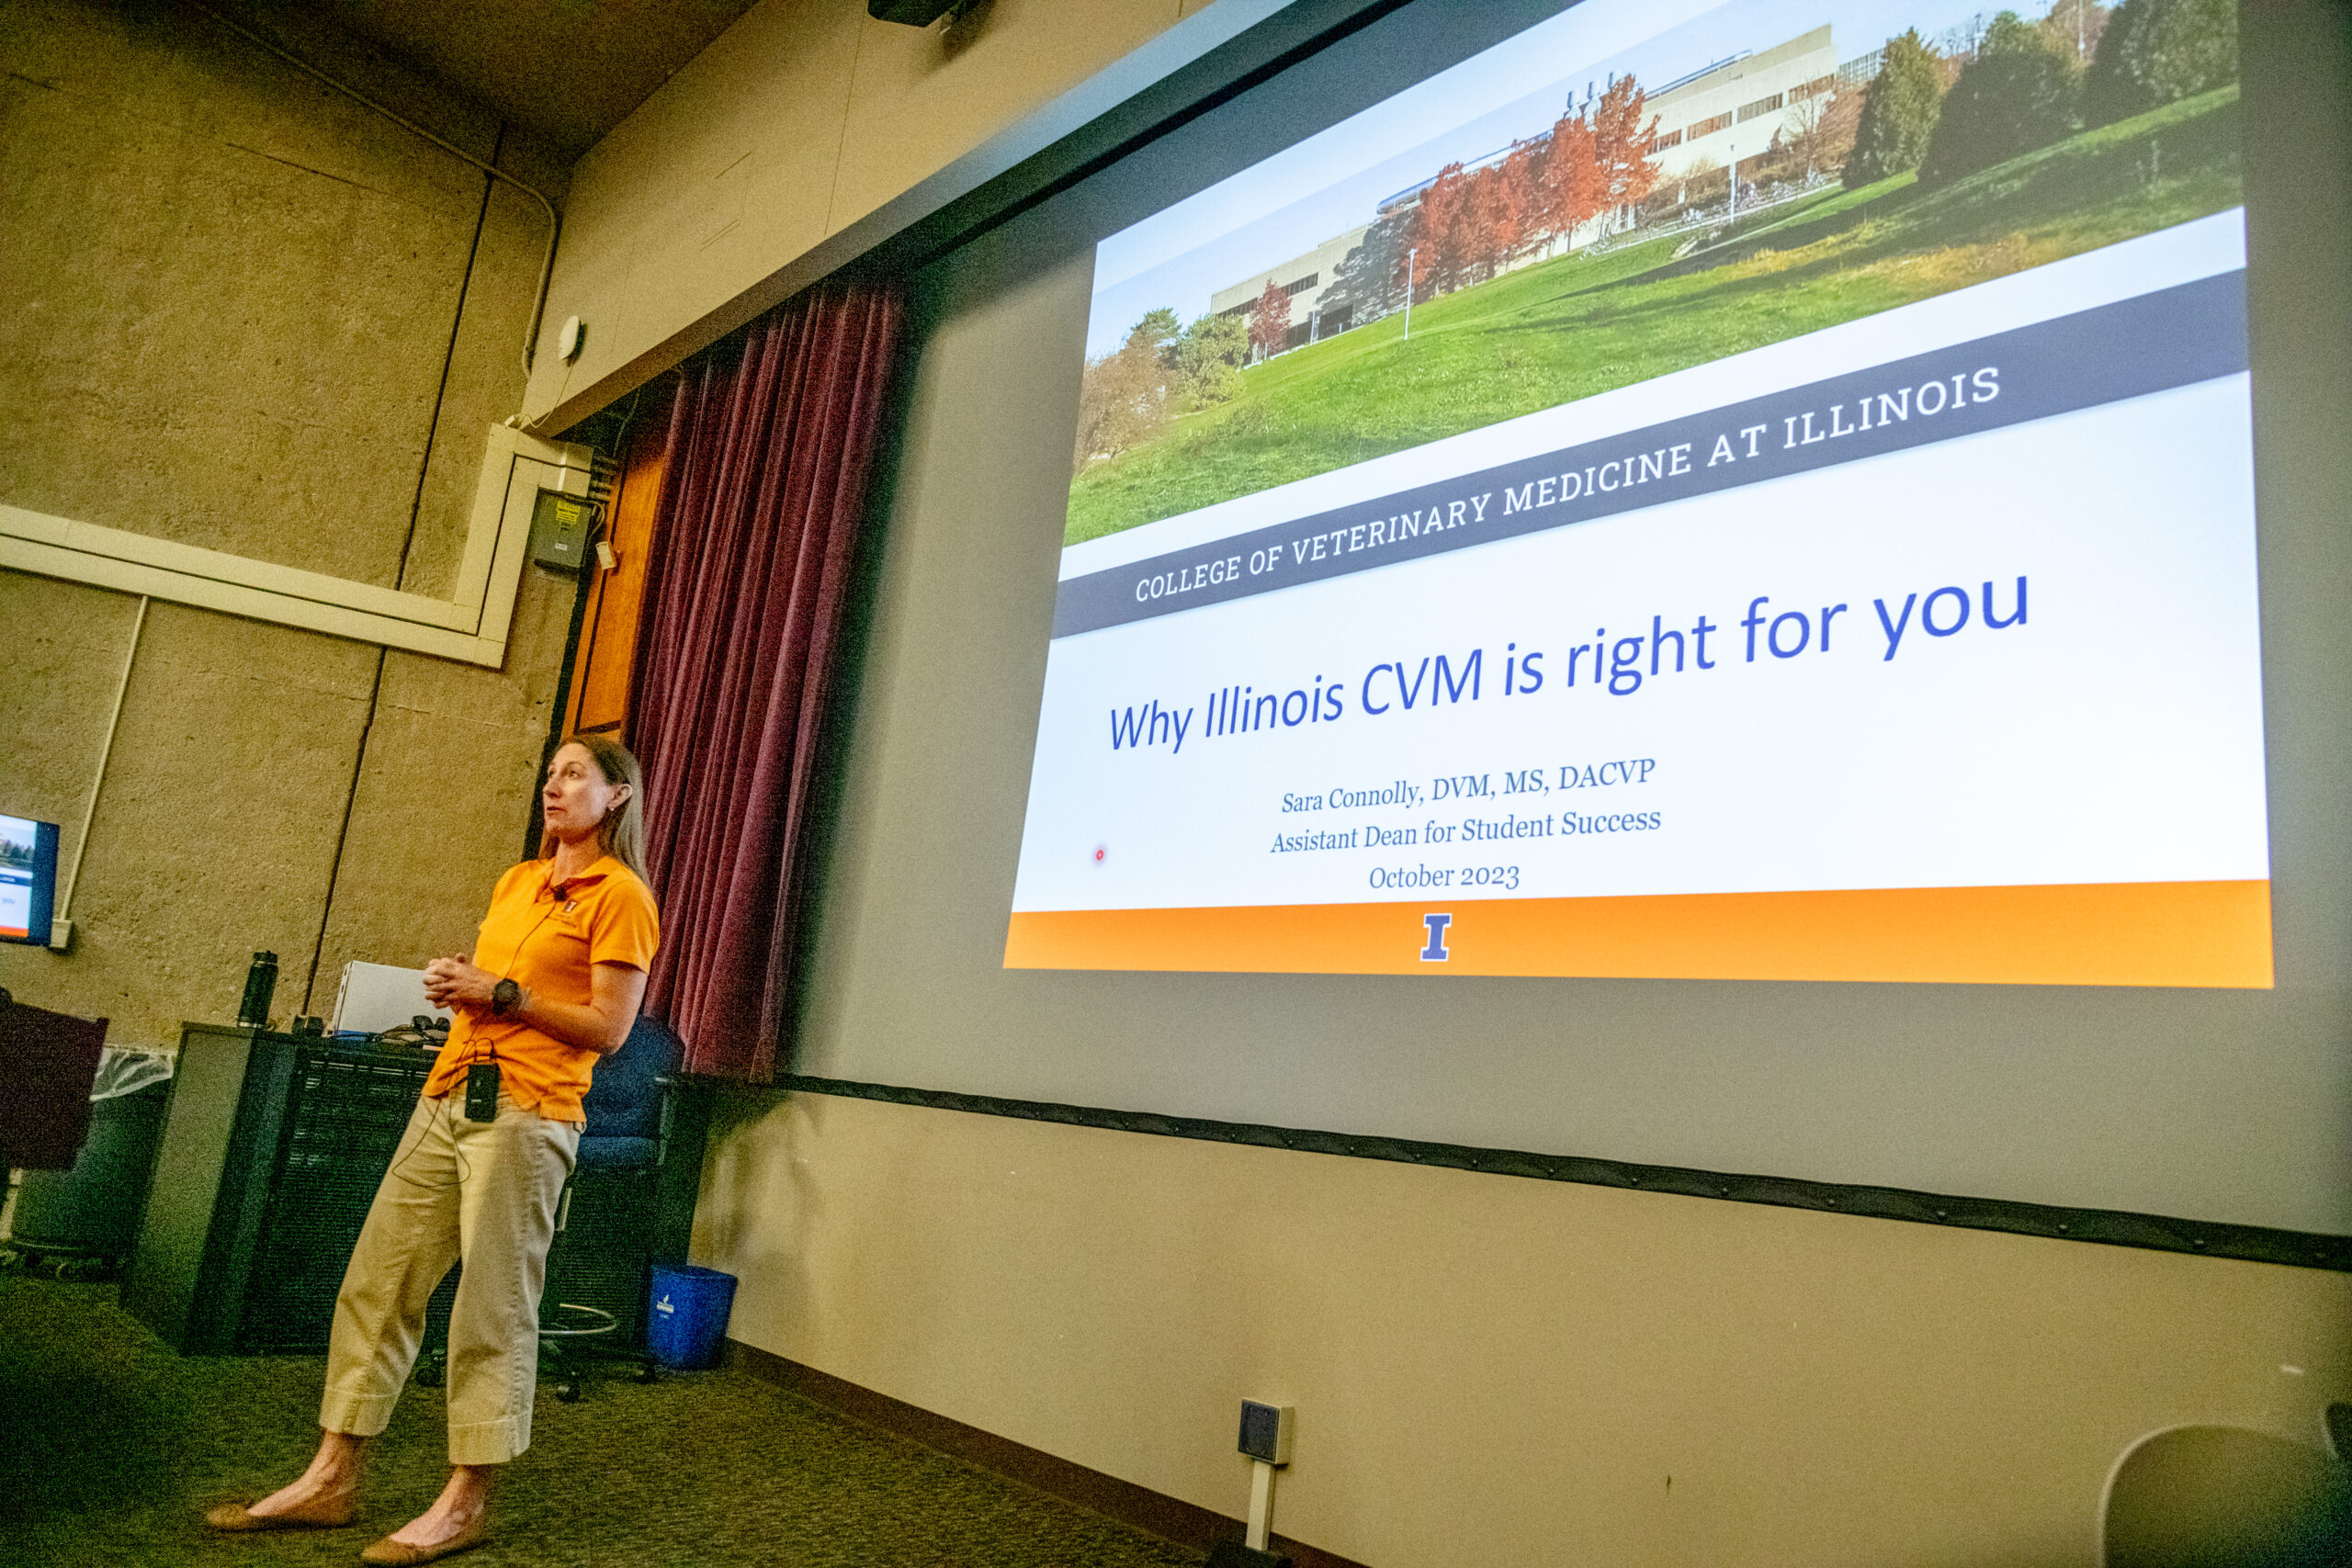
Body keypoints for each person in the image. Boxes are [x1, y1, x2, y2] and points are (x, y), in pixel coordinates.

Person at [206, 736, 660, 1565]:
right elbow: (495, 989)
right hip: (449, 1091)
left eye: (573, 775)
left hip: (529, 1112)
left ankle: (465, 1500)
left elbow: (610, 1027)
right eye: (549, 772)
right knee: (377, 1284)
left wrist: (503, 992)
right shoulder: (519, 881)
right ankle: (332, 1476)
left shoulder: (621, 895)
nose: (552, 787)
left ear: (617, 796)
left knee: (492, 1306)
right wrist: (463, 983)